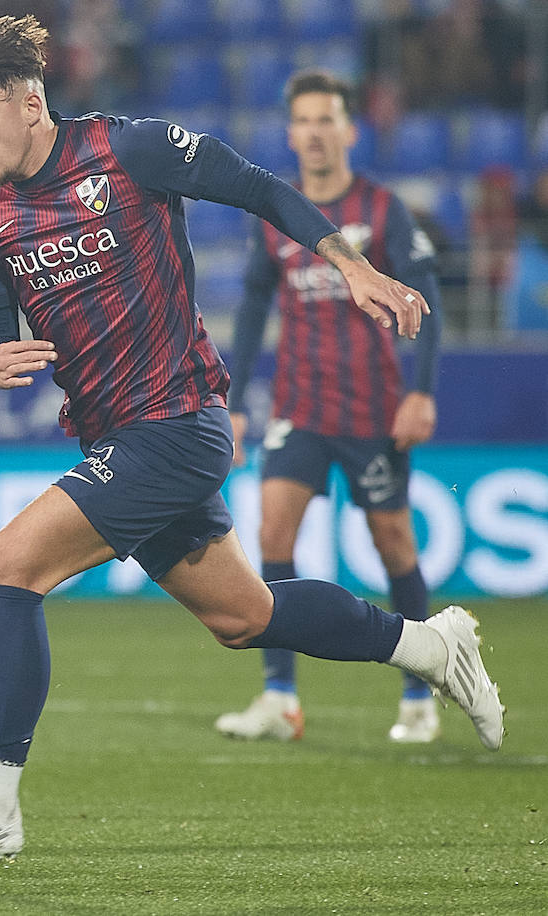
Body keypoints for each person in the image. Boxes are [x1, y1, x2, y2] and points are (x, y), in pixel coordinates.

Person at [0, 16, 503, 861]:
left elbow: (256, 185)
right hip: (113, 433)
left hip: (177, 424)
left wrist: (352, 264)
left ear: (32, 104)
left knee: (8, 568)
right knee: (243, 616)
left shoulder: (127, 149)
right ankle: (432, 644)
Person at [216, 70, 444, 745]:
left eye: (327, 119)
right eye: (304, 121)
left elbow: (426, 300)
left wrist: (422, 391)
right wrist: (232, 401)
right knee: (273, 537)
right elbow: (256, 308)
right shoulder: (278, 216)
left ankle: (421, 691)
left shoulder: (381, 209)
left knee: (392, 542)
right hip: (300, 406)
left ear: (348, 129)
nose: (315, 132)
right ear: (290, 133)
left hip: (373, 411)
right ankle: (280, 697)